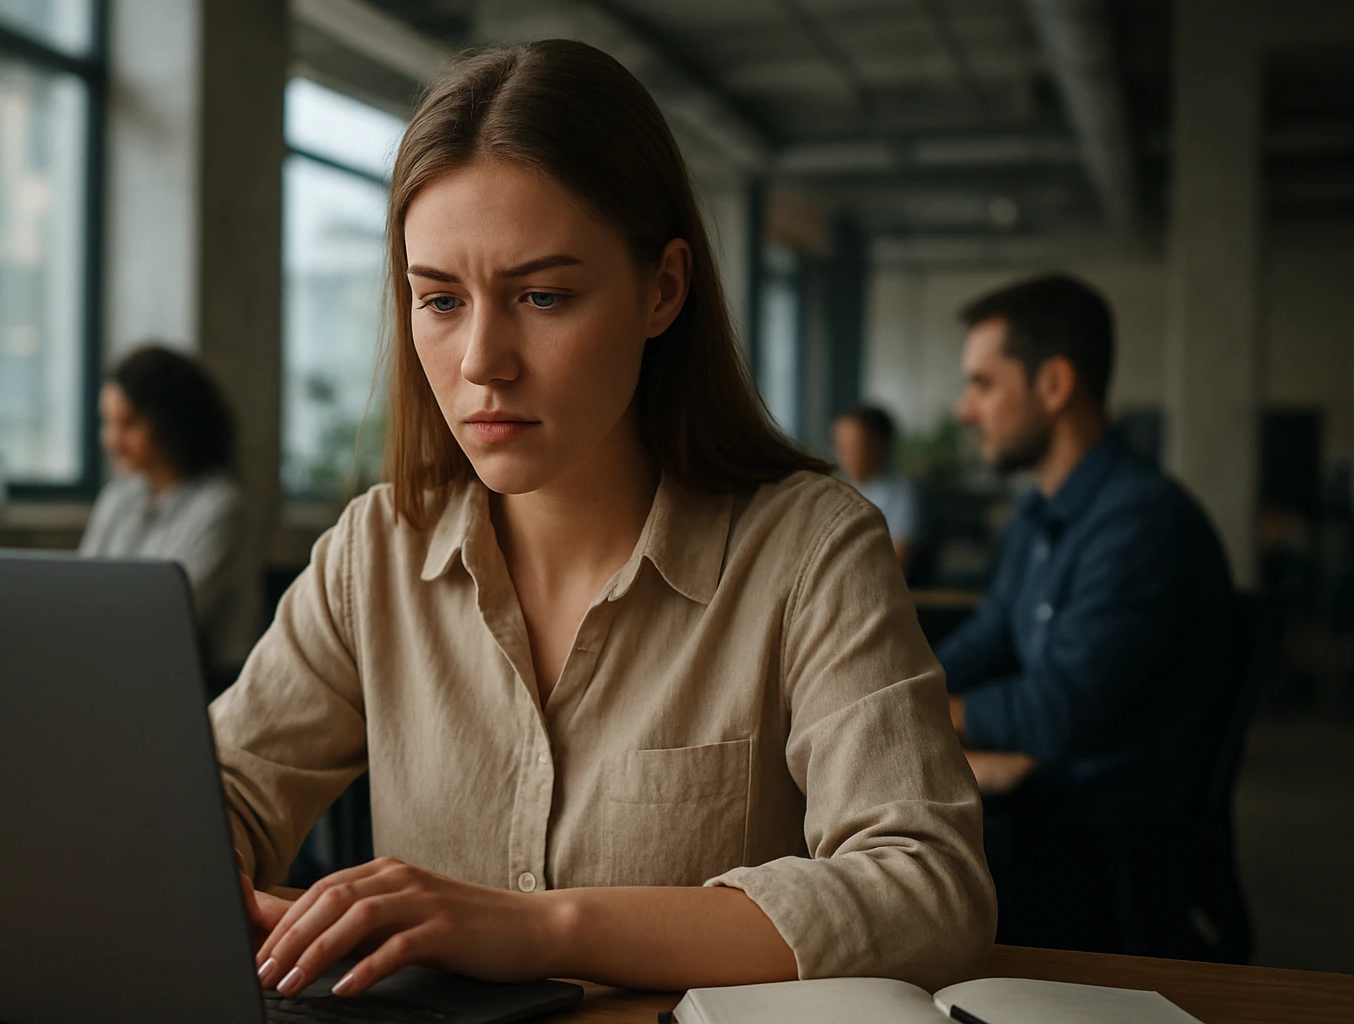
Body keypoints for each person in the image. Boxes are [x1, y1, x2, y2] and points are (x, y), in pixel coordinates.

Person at [213, 39, 994, 1003]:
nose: (482, 361)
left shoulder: (807, 550)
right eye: (440, 301)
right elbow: (224, 792)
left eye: (543, 296)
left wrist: (539, 929)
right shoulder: (375, 552)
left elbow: (929, 889)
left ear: (663, 289)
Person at [935, 273, 1234, 953]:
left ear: (1055, 385)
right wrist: (887, 685)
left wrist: (919, 709)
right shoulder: (1040, 512)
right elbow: (991, 637)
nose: (964, 409)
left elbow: (1056, 712)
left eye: (982, 383)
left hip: (1098, 848)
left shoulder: (1142, 522)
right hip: (1052, 810)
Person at [80, 345, 261, 686]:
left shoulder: (223, 508)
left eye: (129, 423)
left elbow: (172, 617)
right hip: (121, 672)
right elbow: (79, 594)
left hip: (201, 686)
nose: (112, 439)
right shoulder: (119, 499)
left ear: (171, 422)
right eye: (108, 422)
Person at [832, 405, 923, 573]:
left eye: (854, 445)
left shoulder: (901, 493)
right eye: (841, 445)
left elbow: (898, 555)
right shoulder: (833, 491)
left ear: (880, 445)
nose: (844, 454)